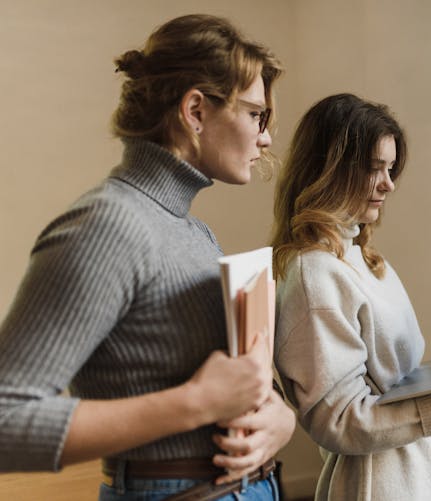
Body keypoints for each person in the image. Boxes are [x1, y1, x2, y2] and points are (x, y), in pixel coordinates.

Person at [0, 14, 295, 501]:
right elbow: (7, 420)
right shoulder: (107, 226)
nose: (265, 139)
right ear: (196, 111)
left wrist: (280, 418)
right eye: (256, 115)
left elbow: (234, 378)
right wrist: (195, 403)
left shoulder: (194, 231)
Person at [270, 93, 431, 501]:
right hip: (383, 482)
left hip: (420, 464)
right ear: (330, 171)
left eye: (390, 169)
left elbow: (391, 380)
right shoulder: (315, 274)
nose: (388, 184)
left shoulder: (364, 259)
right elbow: (337, 421)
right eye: (375, 169)